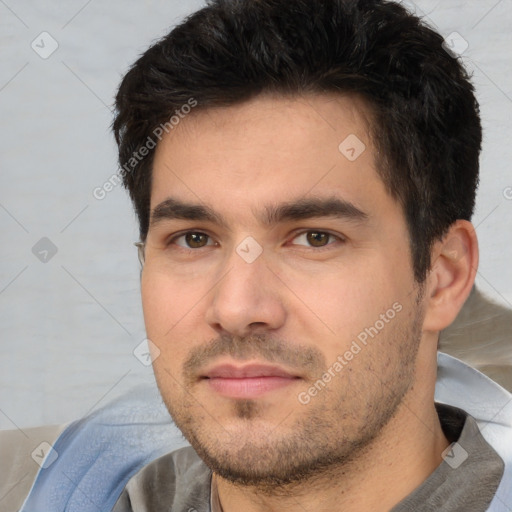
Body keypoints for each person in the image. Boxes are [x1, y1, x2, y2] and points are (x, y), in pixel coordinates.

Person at [8, 1, 512, 511]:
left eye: (315, 238)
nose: (236, 308)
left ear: (444, 277)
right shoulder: (55, 486)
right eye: (194, 239)